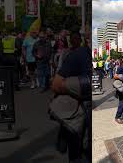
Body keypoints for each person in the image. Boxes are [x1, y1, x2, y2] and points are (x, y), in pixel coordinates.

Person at [51, 31, 89, 162]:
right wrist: (74, 86)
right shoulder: (74, 55)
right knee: (77, 151)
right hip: (76, 110)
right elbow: (56, 84)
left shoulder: (86, 54)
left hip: (86, 110)